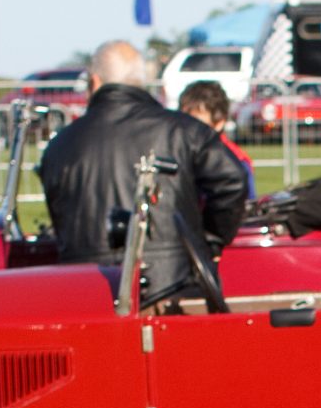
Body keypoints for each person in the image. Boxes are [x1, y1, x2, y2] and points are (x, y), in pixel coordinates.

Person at [38, 39, 249, 292]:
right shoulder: (184, 131)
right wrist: (207, 241)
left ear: (94, 81)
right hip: (173, 284)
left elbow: (60, 219)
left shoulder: (59, 146)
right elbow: (232, 181)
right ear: (140, 81)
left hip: (87, 289)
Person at [177, 80, 253, 197]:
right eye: (184, 121)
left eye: (197, 124)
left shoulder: (237, 161)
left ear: (219, 123)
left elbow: (246, 203)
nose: (189, 130)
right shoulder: (175, 152)